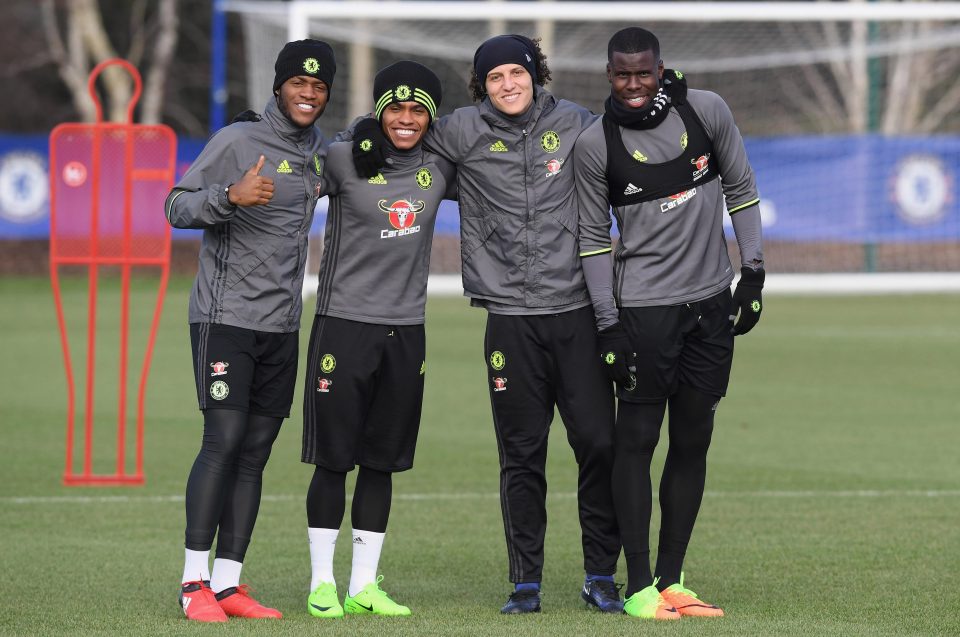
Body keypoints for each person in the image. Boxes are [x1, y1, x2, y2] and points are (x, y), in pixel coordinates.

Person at [353, 35, 622, 615]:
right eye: (495, 77)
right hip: (509, 321)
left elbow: (628, 145)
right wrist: (359, 138)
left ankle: (602, 573)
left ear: (535, 75)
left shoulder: (577, 123)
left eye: (516, 73)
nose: (508, 84)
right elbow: (403, 128)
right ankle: (526, 581)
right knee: (521, 454)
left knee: (599, 444)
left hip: (577, 312)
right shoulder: (459, 132)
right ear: (482, 86)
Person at [574, 27, 764, 620]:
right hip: (643, 315)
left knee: (693, 440)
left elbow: (741, 188)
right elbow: (589, 240)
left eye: (644, 73)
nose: (633, 85)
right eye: (622, 74)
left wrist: (752, 273)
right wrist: (607, 324)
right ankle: (637, 588)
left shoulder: (707, 111)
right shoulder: (593, 144)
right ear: (609, 74)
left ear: (661, 69)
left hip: (709, 308)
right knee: (637, 444)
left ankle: (673, 578)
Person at [164, 39, 336, 622]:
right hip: (224, 320)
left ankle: (230, 585)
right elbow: (176, 205)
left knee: (257, 452)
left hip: (280, 325)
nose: (307, 93)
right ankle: (193, 585)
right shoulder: (238, 141)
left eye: (318, 86)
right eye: (298, 83)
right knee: (225, 440)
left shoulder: (319, 154)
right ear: (279, 85)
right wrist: (228, 197)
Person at [301, 60, 455, 619]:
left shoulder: (440, 167)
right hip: (342, 326)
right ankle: (322, 583)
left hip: (406, 331)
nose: (406, 120)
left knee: (381, 462)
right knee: (333, 461)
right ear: (379, 110)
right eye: (396, 109)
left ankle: (363, 585)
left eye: (418, 111)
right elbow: (294, 186)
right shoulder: (344, 158)